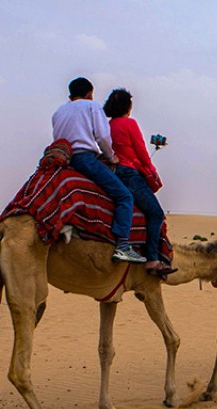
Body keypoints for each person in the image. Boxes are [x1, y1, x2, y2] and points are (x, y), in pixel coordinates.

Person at [52, 77, 146, 264]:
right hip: (85, 158)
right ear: (89, 93)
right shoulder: (91, 106)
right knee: (124, 196)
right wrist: (111, 157)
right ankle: (122, 246)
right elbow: (103, 136)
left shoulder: (58, 112)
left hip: (65, 159)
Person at [103, 88, 177, 277]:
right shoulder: (129, 123)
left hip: (113, 172)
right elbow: (141, 150)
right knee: (156, 213)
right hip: (130, 173)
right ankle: (153, 260)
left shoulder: (108, 126)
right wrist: (151, 169)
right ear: (127, 107)